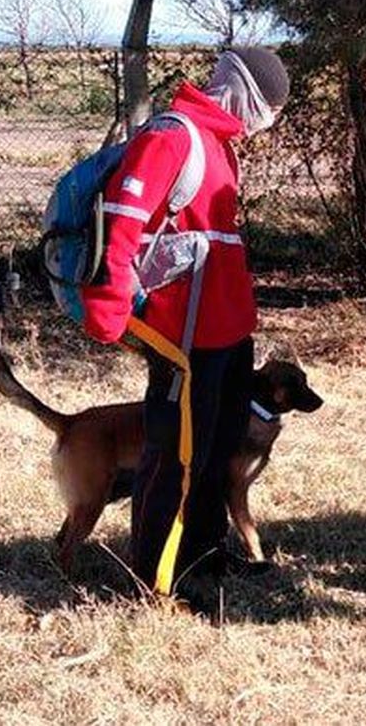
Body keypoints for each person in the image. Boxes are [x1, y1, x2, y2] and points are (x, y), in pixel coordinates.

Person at [80, 47, 290, 605]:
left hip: (227, 333)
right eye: (266, 106)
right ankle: (155, 580)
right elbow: (122, 224)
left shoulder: (220, 145)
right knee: (174, 456)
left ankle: (206, 556)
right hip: (182, 337)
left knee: (217, 451)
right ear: (243, 93)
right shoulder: (173, 137)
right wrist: (108, 309)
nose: (264, 120)